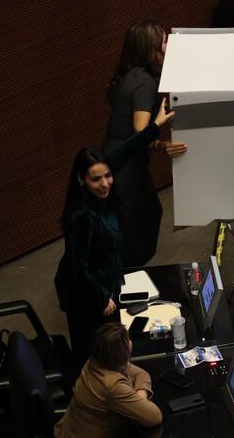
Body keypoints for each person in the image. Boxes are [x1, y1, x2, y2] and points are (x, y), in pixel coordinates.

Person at [55, 99, 175, 365]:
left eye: (107, 176)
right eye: (95, 179)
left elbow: (127, 149)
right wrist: (101, 298)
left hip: (103, 279)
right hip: (85, 294)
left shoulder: (104, 183)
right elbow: (80, 266)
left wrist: (156, 124)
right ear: (81, 180)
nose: (105, 183)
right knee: (94, 355)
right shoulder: (81, 218)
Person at [103, 21, 187, 267]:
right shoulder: (146, 83)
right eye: (163, 42)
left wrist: (159, 146)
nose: (167, 46)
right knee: (138, 224)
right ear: (151, 48)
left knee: (141, 217)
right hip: (126, 167)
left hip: (117, 156)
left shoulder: (131, 76)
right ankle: (129, 281)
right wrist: (159, 123)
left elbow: (133, 136)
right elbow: (139, 130)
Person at [54, 322, 162, 437]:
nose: (130, 342)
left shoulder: (95, 361)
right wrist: (140, 402)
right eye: (127, 340)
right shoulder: (112, 386)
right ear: (121, 355)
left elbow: (141, 374)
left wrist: (141, 394)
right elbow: (154, 417)